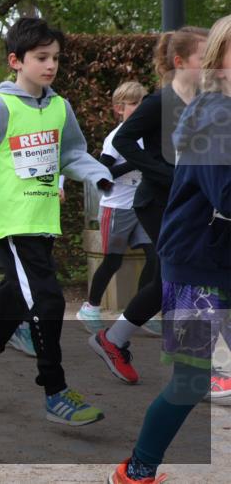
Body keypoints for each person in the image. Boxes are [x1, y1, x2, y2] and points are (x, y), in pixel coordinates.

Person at [0, 17, 113, 426]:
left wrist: (99, 175)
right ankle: (55, 391)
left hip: (42, 219)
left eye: (55, 57)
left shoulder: (60, 107)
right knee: (48, 299)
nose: (51, 65)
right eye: (41, 57)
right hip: (10, 221)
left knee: (14, 295)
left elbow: (72, 154)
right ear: (15, 61)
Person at [108, 14, 231, 483]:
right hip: (196, 265)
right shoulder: (213, 116)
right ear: (217, 60)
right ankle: (135, 472)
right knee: (191, 379)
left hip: (218, 257)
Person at [90, 27, 210, 385]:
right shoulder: (160, 102)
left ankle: (113, 339)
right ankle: (192, 367)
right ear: (180, 62)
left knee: (170, 279)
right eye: (203, 58)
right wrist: (164, 172)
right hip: (157, 203)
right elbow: (125, 139)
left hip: (190, 202)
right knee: (179, 276)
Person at [76, 81, 155, 341]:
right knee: (113, 260)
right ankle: (90, 308)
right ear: (119, 109)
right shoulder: (116, 138)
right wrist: (135, 161)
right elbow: (103, 172)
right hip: (116, 207)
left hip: (141, 206)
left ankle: (142, 313)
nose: (139, 107)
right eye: (133, 104)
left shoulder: (148, 135)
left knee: (154, 257)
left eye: (142, 102)